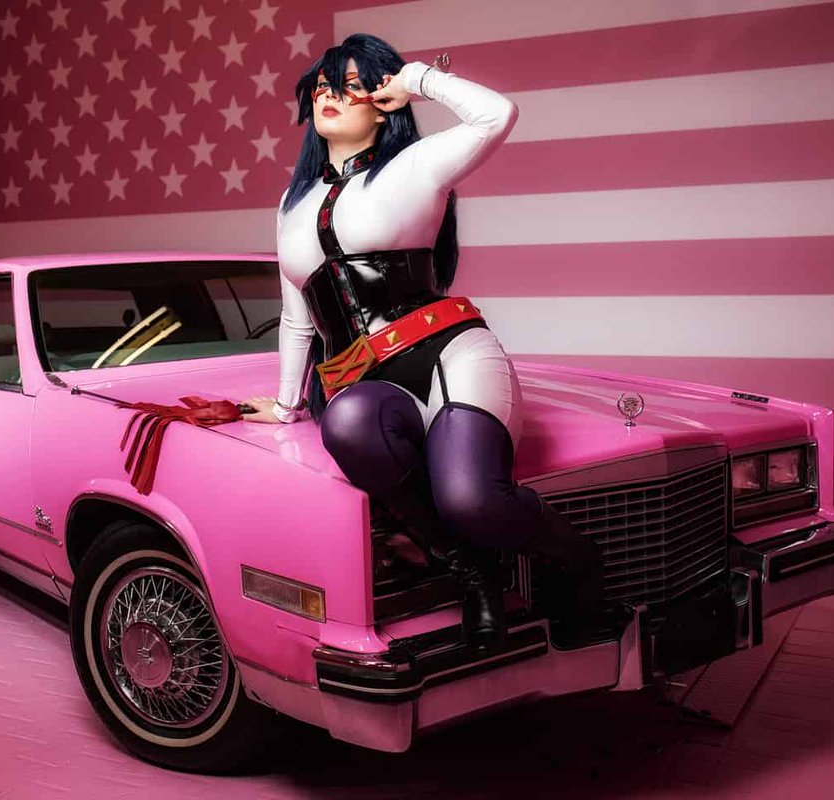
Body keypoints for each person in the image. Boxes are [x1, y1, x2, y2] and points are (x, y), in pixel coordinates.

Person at [242, 33, 607, 648]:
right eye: (326, 85)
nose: (334, 95)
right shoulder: (292, 202)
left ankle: (581, 566)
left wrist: (415, 81)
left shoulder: (416, 165)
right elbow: (297, 315)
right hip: (362, 382)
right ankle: (476, 577)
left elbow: (496, 114)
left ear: (381, 102)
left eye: (354, 85)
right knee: (347, 423)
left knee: (470, 498)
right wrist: (285, 407)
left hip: (448, 354)